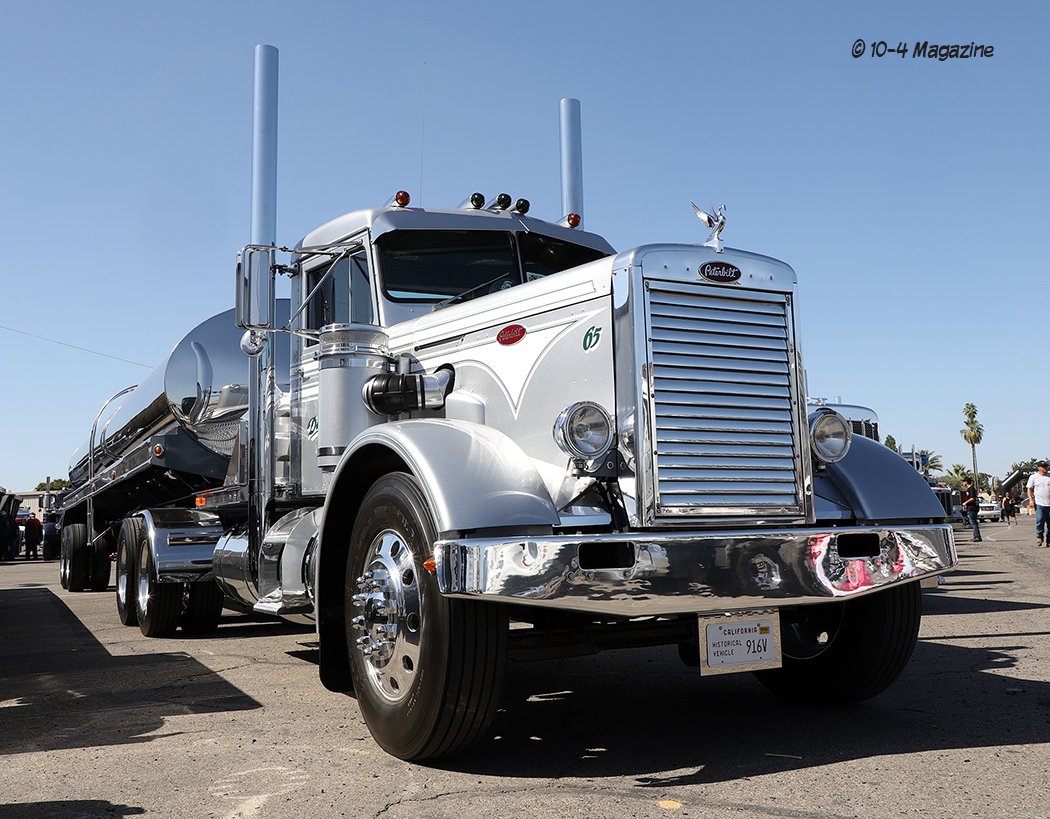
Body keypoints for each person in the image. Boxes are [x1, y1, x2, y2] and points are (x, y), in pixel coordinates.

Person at [1027, 460, 1050, 547]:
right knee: (1040, 520)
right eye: (1043, 467)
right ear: (1039, 468)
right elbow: (1029, 489)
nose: (1045, 468)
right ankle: (1039, 537)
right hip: (1040, 503)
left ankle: (1049, 540)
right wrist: (1031, 500)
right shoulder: (1033, 477)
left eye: (1046, 466)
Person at [961, 477, 982, 542]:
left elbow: (973, 498)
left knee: (973, 522)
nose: (963, 483)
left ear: (966, 482)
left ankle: (977, 537)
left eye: (963, 481)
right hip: (971, 508)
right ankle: (976, 536)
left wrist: (965, 503)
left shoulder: (971, 489)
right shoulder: (970, 489)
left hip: (972, 508)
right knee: (973, 522)